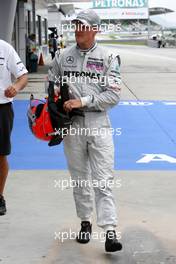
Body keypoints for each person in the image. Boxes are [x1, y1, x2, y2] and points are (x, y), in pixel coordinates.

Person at [48, 9, 122, 252]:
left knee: (103, 179)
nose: (78, 30)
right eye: (76, 26)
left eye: (83, 26)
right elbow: (52, 84)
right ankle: (85, 222)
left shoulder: (109, 56)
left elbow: (113, 95)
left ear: (95, 29)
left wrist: (84, 101)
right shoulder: (62, 56)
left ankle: (110, 230)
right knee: (79, 178)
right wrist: (55, 102)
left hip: (98, 123)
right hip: (72, 126)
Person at [0, 39, 28, 215]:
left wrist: (16, 87)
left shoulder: (4, 48)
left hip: (1, 107)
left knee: (0, 155)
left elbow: (23, 76)